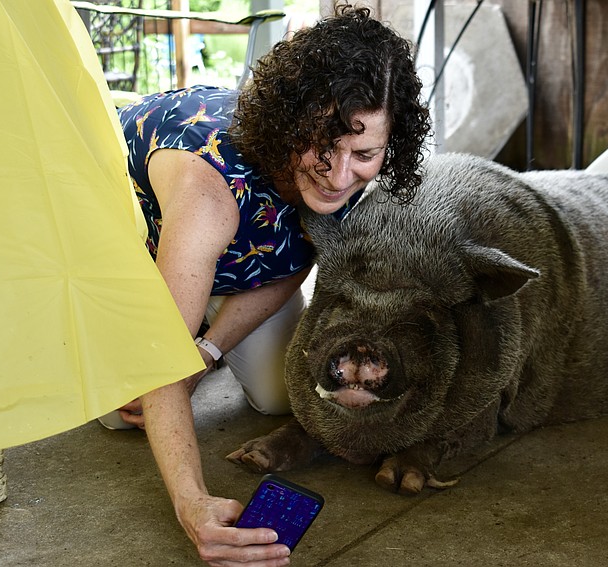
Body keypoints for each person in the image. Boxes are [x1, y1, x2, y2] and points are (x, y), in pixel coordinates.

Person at [107, 5, 430, 565]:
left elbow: (294, 260)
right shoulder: (206, 198)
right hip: (143, 251)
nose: (338, 175)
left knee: (280, 395)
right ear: (290, 123)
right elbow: (160, 364)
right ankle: (170, 320)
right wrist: (193, 504)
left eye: (365, 154)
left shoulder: (351, 180)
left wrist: (207, 352)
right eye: (322, 147)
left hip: (240, 266)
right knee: (124, 411)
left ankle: (202, 331)